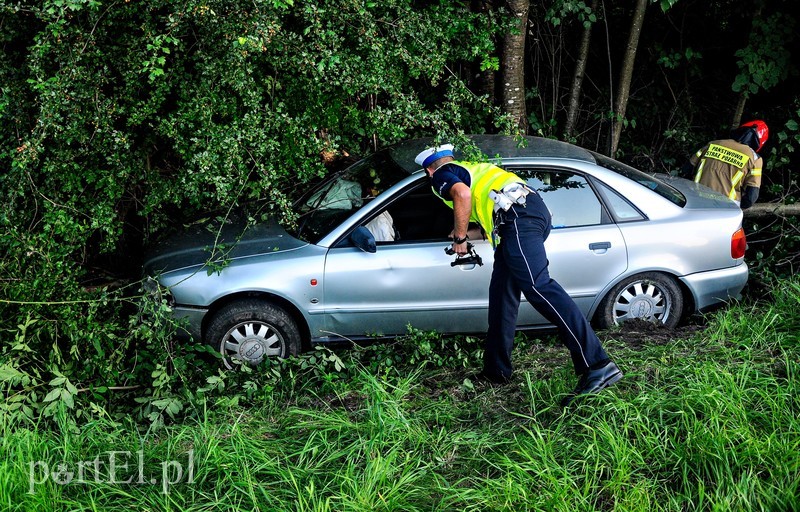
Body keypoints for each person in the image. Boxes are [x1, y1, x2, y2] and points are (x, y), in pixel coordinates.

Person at [414, 143, 622, 406]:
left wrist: (460, 236)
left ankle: (597, 365)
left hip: (518, 220)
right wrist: (473, 233)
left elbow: (462, 196)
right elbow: (485, 207)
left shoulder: (442, 175)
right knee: (502, 298)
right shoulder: (473, 169)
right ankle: (496, 372)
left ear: (429, 170)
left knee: (539, 287)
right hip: (521, 218)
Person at [682, 120, 768, 209]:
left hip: (695, 198)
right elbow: (751, 197)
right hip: (726, 206)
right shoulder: (755, 158)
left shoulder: (712, 144)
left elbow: (686, 170)